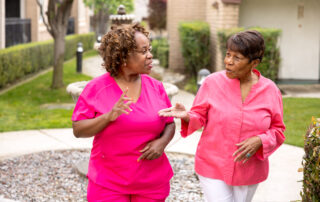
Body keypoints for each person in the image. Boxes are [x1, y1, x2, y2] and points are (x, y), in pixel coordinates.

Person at [159, 30, 285, 202]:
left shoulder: (270, 90)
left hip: (249, 169)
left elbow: (278, 130)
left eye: (237, 58)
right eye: (228, 54)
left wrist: (260, 141)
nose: (228, 62)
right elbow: (199, 116)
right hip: (212, 164)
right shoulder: (212, 82)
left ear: (254, 63)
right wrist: (187, 116)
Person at [71, 23, 175, 202]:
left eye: (149, 49)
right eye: (144, 51)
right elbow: (78, 129)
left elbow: (170, 123)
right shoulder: (96, 89)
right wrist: (108, 117)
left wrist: (162, 142)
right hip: (108, 183)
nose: (150, 55)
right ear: (124, 56)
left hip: (151, 183)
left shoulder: (156, 87)